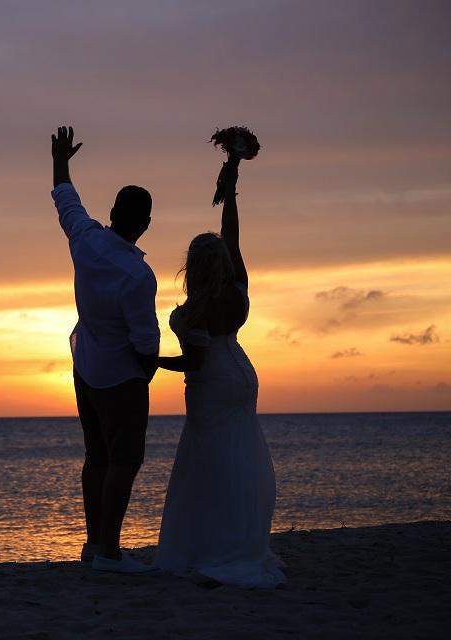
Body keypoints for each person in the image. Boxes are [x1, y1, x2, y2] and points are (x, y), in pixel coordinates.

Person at [153, 157, 287, 588]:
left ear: (191, 268)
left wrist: (151, 362)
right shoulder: (236, 294)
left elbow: (193, 363)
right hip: (243, 375)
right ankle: (246, 539)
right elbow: (232, 236)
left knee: (211, 465)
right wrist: (230, 192)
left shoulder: (193, 311)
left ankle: (217, 545)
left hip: (211, 385)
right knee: (243, 457)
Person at [50, 126, 159, 573]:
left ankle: (94, 545)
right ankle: (109, 552)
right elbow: (146, 342)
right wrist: (149, 371)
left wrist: (61, 159)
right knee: (125, 458)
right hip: (120, 376)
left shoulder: (86, 239)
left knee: (97, 456)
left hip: (85, 367)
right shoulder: (137, 275)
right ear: (146, 224)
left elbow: (66, 200)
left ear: (113, 212)